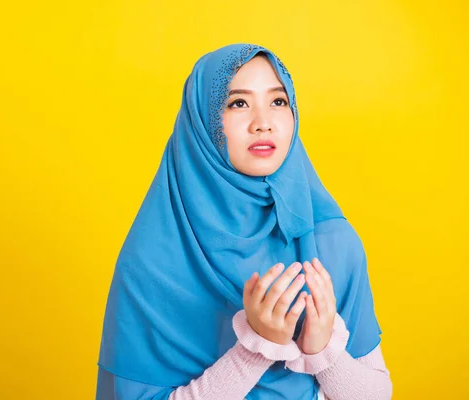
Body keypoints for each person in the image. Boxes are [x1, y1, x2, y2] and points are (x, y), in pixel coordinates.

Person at [95, 43, 393, 400]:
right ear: (202, 121)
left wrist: (323, 352)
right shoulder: (151, 264)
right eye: (238, 103)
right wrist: (256, 348)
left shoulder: (332, 242)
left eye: (278, 102)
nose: (263, 123)